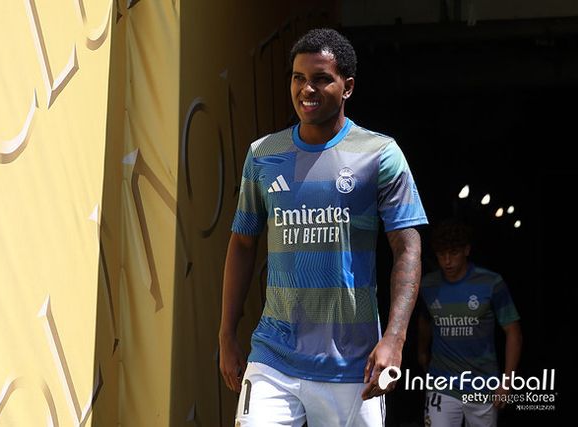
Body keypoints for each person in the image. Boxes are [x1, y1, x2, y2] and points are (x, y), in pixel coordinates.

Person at [219, 27, 428, 427]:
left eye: (320, 79)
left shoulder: (380, 154)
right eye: (298, 78)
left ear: (347, 87)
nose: (306, 89)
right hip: (274, 357)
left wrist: (395, 339)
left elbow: (408, 248)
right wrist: (226, 335)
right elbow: (243, 243)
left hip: (354, 364)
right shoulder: (263, 154)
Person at [417, 218, 523, 427]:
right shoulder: (428, 285)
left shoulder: (491, 283)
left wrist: (507, 381)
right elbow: (424, 319)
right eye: (441, 254)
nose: (447, 261)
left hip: (482, 384)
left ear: (467, 250)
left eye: (453, 253)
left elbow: (513, 332)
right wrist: (421, 352)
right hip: (442, 384)